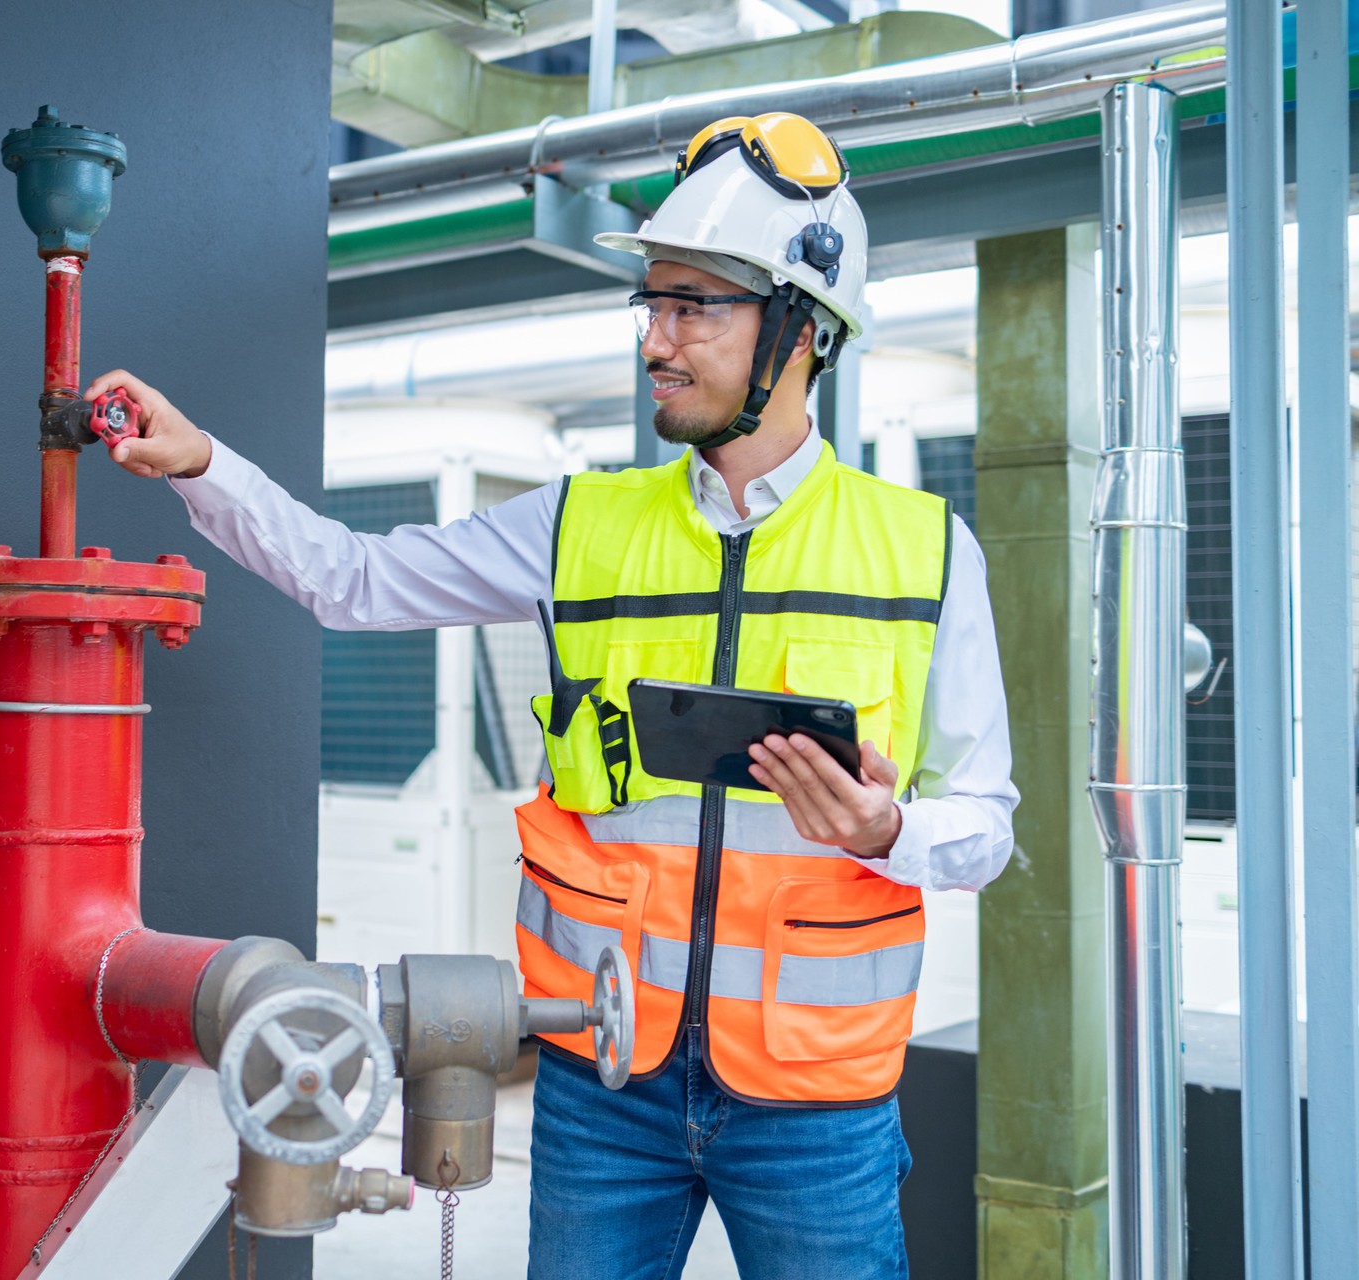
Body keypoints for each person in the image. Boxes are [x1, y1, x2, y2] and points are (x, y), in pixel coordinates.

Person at [85, 112, 1016, 1280]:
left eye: (695, 307)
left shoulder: (926, 551)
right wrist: (207, 466)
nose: (657, 341)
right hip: (601, 1077)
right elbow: (355, 580)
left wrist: (890, 829)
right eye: (654, 304)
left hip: (818, 1107)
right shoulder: (582, 522)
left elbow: (986, 827)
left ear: (799, 327)